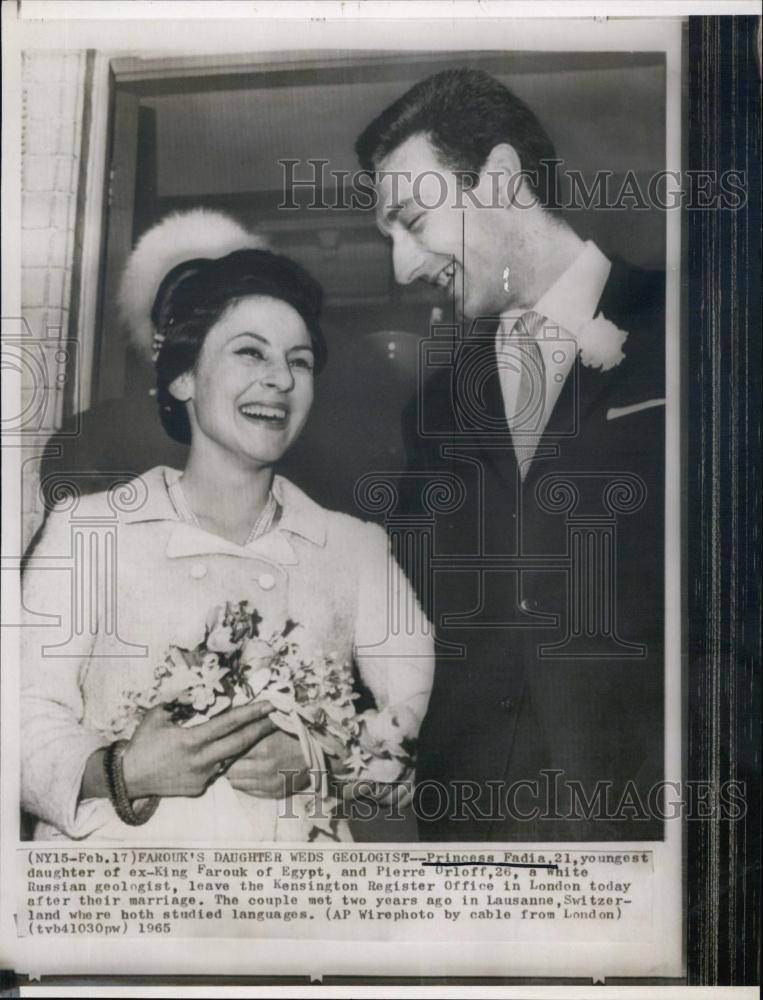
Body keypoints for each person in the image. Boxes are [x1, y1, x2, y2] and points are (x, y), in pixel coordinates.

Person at [20, 219, 434, 842]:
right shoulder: (88, 532)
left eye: (299, 361)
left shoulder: (354, 546)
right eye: (250, 352)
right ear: (183, 377)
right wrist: (123, 768)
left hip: (299, 913)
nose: (281, 379)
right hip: (123, 908)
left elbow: (429, 709)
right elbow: (17, 719)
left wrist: (326, 760)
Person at [355, 67, 665, 841]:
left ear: (497, 178)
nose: (400, 266)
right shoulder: (429, 413)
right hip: (475, 844)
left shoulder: (699, 326)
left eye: (410, 221)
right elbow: (410, 617)